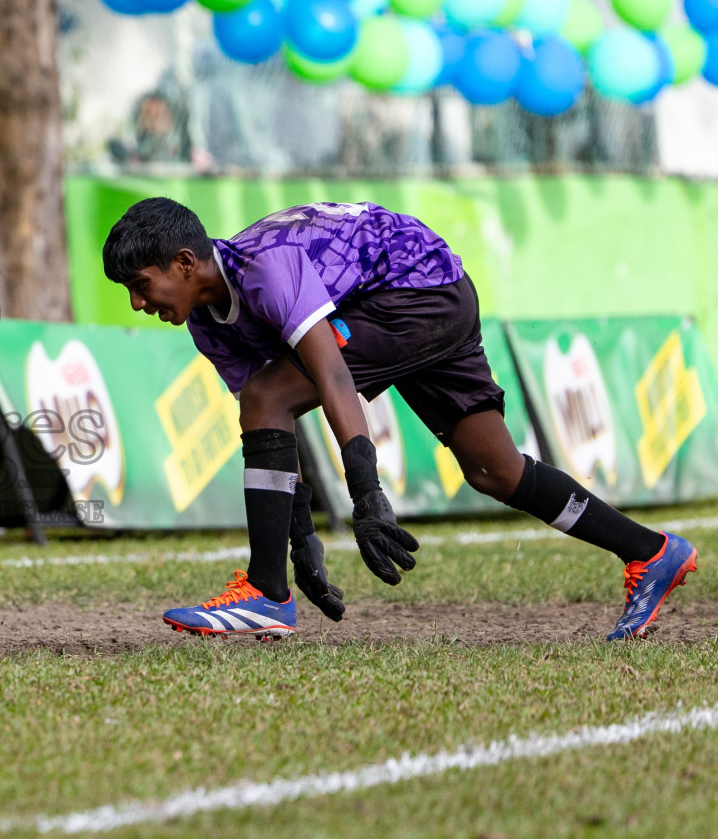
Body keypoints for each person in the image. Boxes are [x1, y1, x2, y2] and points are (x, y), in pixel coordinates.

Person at [102, 197, 697, 642]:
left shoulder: (267, 271)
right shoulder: (209, 322)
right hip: (427, 294)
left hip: (420, 291)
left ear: (184, 263)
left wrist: (367, 495)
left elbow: (329, 379)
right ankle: (652, 551)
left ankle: (263, 593)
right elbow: (272, 429)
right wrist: (301, 534)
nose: (137, 302)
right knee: (495, 470)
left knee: (268, 391)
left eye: (140, 284)